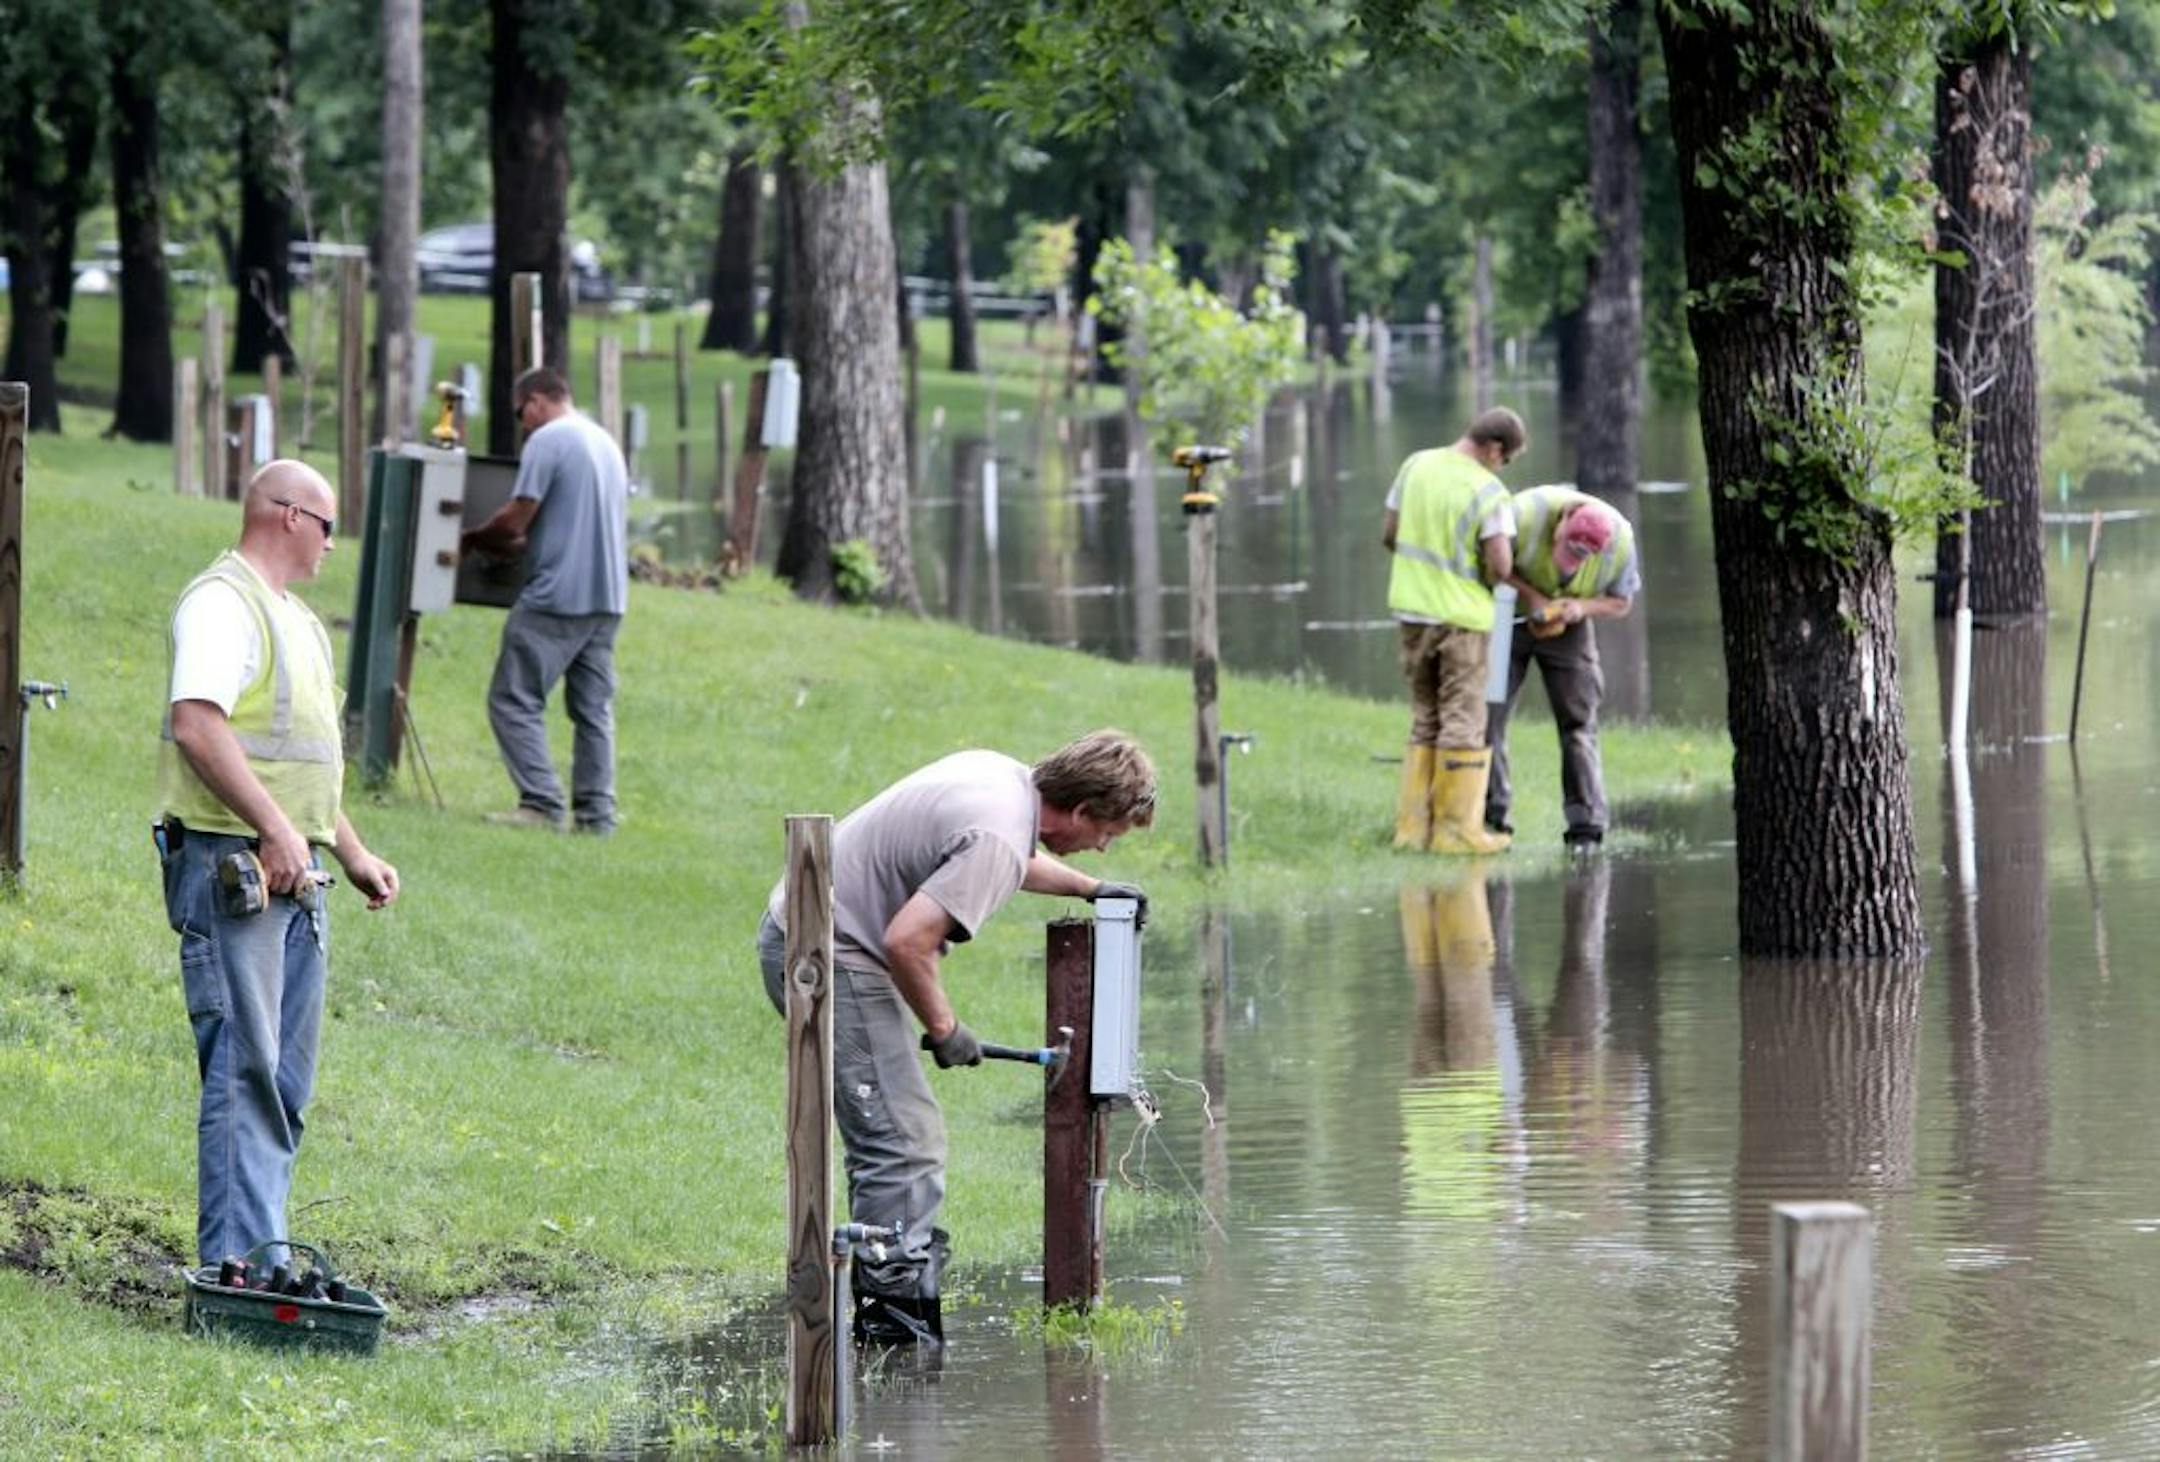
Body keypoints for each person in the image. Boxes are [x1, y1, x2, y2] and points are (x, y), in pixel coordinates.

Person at [755, 730, 1155, 1346]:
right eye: (1107, 834)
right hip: (825, 954)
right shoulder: (997, 831)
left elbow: (1006, 857)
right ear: (1079, 810)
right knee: (903, 1144)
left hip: (814, 927)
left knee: (901, 1135)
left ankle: (892, 1307)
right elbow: (907, 942)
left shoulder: (1002, 781)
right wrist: (946, 1030)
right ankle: (895, 1333)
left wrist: (1090, 890)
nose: (1102, 847)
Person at [157, 461, 401, 1268]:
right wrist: (271, 827)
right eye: (330, 527)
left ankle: (262, 1260)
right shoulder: (223, 605)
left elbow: (300, 764)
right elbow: (197, 724)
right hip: (235, 875)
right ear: (291, 517)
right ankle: (238, 1271)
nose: (335, 545)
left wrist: (351, 848)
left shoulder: (293, 619)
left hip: (293, 875)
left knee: (284, 1085)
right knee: (246, 1069)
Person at [460, 366, 630, 834]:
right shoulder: (604, 442)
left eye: (521, 413)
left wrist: (473, 538)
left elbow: (517, 518)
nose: (523, 424)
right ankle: (597, 817)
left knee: (513, 698)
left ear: (536, 400)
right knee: (593, 710)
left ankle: (541, 803)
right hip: (608, 598)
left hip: (558, 596)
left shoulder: (549, 440)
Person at [1382, 407, 1524, 855]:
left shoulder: (1415, 465)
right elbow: (1501, 565)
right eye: (1505, 459)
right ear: (1494, 448)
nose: (1501, 467)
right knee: (1463, 719)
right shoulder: (1487, 490)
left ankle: (1412, 830)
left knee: (1425, 717)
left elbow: (1390, 533)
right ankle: (1457, 831)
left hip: (1411, 610)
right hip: (1463, 619)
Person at [1486, 486, 1639, 848]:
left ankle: (1585, 827)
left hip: (1569, 627)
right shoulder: (1523, 513)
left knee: (1579, 723)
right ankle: (1491, 820)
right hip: (1508, 616)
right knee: (1486, 716)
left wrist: (1580, 608)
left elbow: (1621, 603)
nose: (1567, 562)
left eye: (1579, 558)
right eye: (1567, 550)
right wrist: (1531, 595)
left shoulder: (1621, 542)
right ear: (1563, 522)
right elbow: (1490, 565)